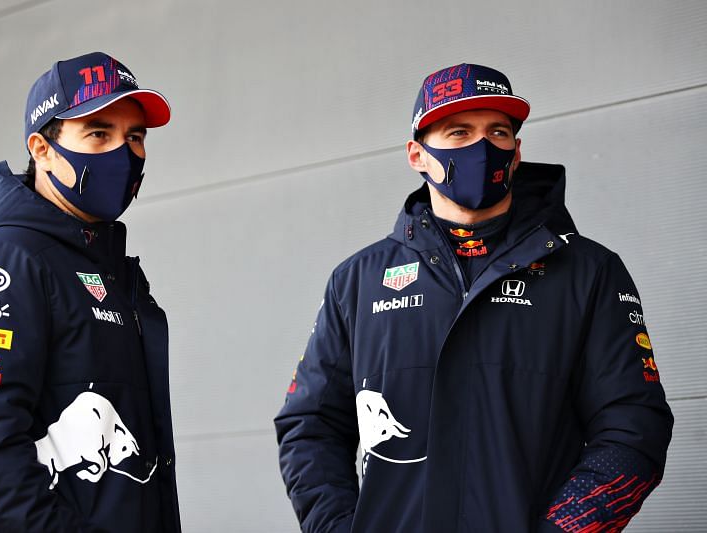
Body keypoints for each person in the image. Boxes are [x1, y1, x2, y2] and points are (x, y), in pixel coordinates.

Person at [274, 63, 673, 532]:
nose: (483, 148)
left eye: (498, 132)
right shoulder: (357, 281)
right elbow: (310, 427)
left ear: (517, 151)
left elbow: (633, 427)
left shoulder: (589, 272)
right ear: (416, 155)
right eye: (458, 132)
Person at [0, 52, 181, 532]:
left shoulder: (102, 266)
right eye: (99, 133)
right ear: (42, 149)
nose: (123, 154)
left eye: (135, 137)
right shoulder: (6, 256)